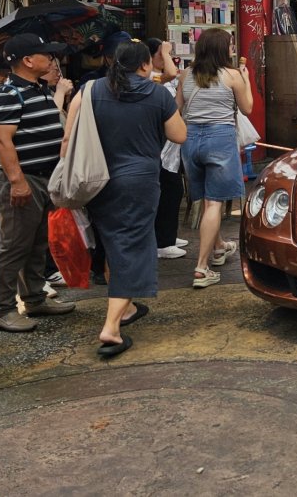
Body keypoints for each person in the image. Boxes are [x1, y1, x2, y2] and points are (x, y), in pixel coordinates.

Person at [66, 41, 185, 358]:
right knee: (133, 247)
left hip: (96, 181)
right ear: (146, 65)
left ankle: (128, 307)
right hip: (139, 183)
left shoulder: (89, 90)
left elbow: (69, 138)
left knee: (113, 242)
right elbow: (179, 135)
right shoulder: (157, 94)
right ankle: (111, 328)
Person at [0, 34, 76, 332]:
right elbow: (2, 140)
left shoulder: (38, 88)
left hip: (41, 178)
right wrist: (17, 181)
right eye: (46, 54)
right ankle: (0, 308)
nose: (52, 59)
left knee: (37, 242)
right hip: (23, 179)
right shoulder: (9, 92)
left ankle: (35, 297)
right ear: (27, 60)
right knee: (14, 246)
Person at [175, 28, 251, 289]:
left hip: (190, 140)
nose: (232, 49)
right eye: (230, 45)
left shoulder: (186, 74)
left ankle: (218, 247)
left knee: (206, 201)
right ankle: (201, 267)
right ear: (222, 48)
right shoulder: (232, 75)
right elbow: (247, 108)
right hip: (219, 138)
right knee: (214, 203)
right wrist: (247, 81)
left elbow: (177, 109)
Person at [146, 38, 187, 260]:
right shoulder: (152, 77)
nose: (166, 59)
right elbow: (172, 74)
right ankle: (163, 241)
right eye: (161, 54)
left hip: (170, 144)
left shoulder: (157, 77)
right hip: (160, 144)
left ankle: (168, 234)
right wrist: (167, 51)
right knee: (169, 190)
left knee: (172, 189)